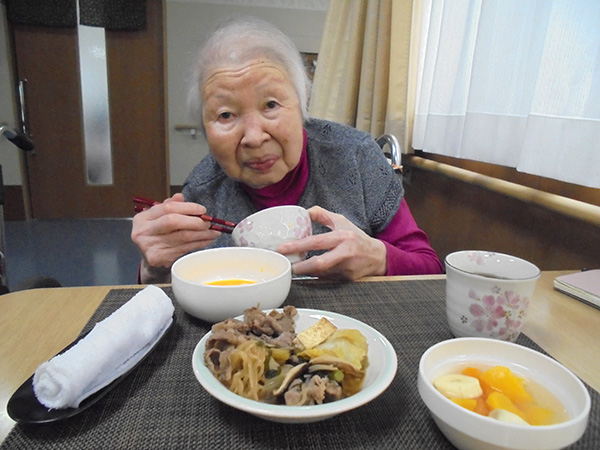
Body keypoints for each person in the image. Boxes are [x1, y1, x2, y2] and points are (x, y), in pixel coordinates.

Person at [132, 16, 444, 284]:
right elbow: (172, 298)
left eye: (270, 105)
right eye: (226, 115)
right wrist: (152, 269)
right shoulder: (202, 195)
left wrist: (380, 258)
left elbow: (430, 268)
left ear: (302, 101)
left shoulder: (356, 156)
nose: (254, 138)